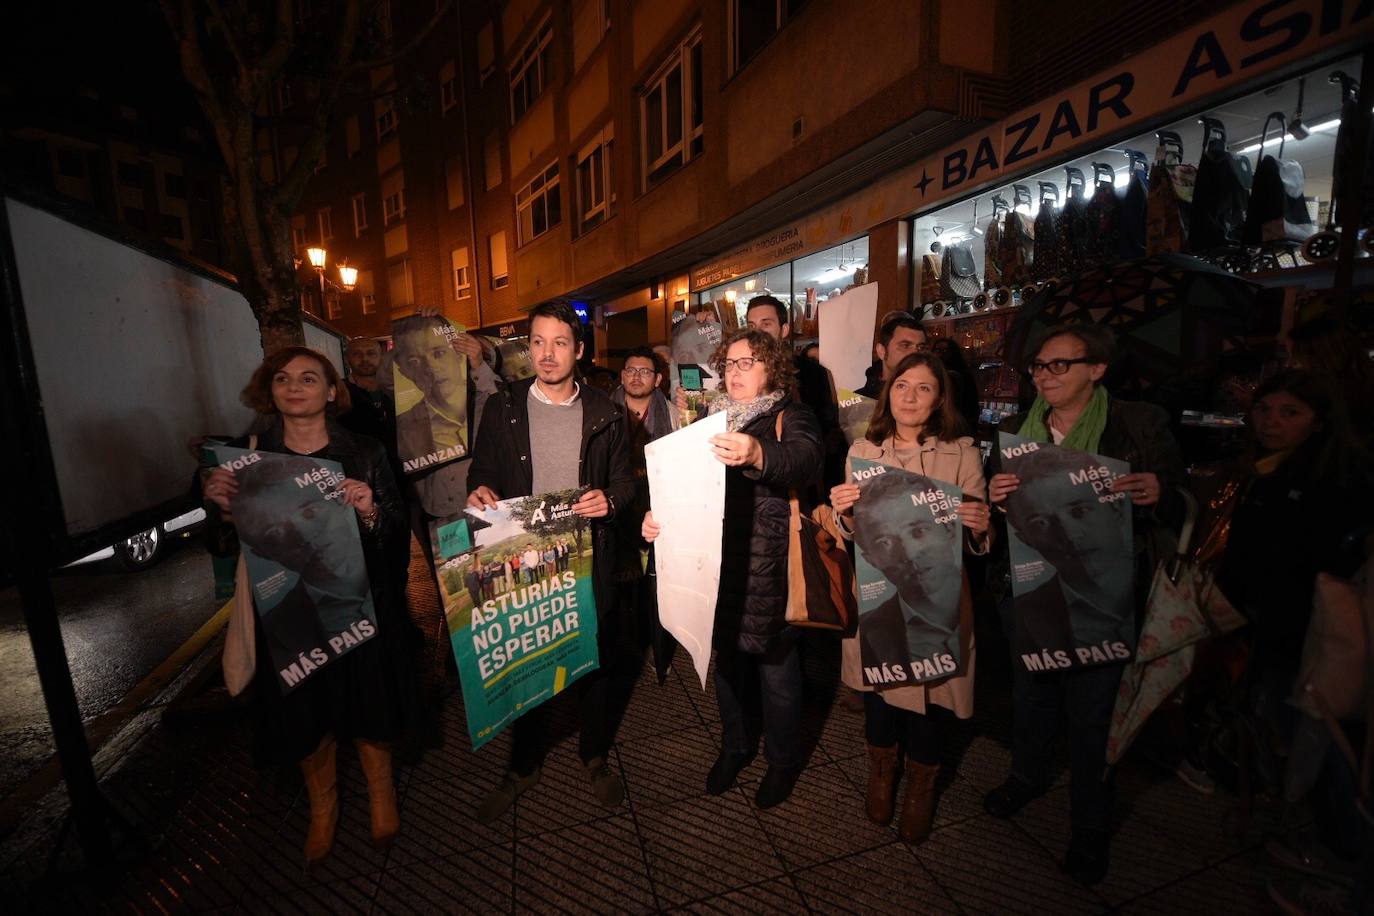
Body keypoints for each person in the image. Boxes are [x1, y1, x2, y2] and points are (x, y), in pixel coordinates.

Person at [981, 324, 1184, 886]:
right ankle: (1026, 776)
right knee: (1032, 696)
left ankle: (1090, 828)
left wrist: (1159, 492)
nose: (1044, 376)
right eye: (1039, 368)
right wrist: (998, 497)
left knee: (1094, 713)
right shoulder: (1016, 430)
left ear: (1096, 369)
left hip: (1102, 594)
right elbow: (1003, 508)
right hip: (1030, 590)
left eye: (1058, 366)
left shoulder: (1138, 424)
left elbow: (1181, 491)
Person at [202, 346, 413, 869]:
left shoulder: (363, 450)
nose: (295, 387)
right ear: (268, 390)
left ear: (331, 391)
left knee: (368, 699)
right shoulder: (243, 458)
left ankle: (381, 796)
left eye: (309, 378)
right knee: (304, 707)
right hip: (288, 611)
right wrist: (221, 509)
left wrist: (369, 511)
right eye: (283, 378)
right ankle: (324, 808)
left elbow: (395, 532)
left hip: (358, 602)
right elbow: (220, 547)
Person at [466, 301, 636, 822]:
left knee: (595, 666)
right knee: (527, 663)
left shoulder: (608, 413)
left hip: (589, 558)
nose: (547, 353)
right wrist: (480, 490)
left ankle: (594, 754)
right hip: (525, 559)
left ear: (579, 350)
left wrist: (611, 500)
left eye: (559, 342)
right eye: (537, 342)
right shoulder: (504, 406)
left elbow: (628, 483)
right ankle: (522, 765)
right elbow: (483, 469)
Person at [643, 328, 824, 808]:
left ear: (772, 369)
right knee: (726, 668)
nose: (736, 372)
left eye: (748, 362)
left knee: (777, 675)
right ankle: (736, 746)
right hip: (718, 570)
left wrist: (758, 452)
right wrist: (657, 519)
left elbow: (806, 461)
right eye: (730, 363)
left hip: (769, 572)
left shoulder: (791, 414)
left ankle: (782, 762)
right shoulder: (708, 418)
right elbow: (678, 484)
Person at [1211, 370, 1371, 902]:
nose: (1272, 422)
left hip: (1311, 631)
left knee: (1323, 737)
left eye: (1289, 413)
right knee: (1293, 727)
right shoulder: (1266, 469)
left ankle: (1343, 853)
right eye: (1265, 411)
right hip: (1275, 625)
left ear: (1319, 419)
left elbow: (1313, 561)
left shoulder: (1330, 480)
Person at [827, 352, 991, 843]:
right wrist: (843, 513)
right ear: (887, 393)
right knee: (880, 695)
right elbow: (849, 534)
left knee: (933, 699)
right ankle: (882, 772)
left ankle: (921, 785)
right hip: (879, 595)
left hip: (936, 600)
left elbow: (978, 537)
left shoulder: (962, 452)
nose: (911, 396)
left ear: (940, 397)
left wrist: (981, 527)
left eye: (924, 388)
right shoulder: (863, 450)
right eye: (902, 386)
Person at [392, 314, 472, 474]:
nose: (431, 367)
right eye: (414, 361)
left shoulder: (490, 400)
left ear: (459, 353)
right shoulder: (403, 431)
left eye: (439, 353)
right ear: (404, 371)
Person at [855, 312, 928, 400]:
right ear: (882, 351)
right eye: (905, 346)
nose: (915, 353)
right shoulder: (856, 402)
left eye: (921, 347)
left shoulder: (932, 398)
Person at [930, 337, 982, 434]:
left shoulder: (960, 375)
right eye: (938, 350)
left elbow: (968, 406)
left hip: (954, 428)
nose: (941, 354)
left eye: (945, 350)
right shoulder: (931, 374)